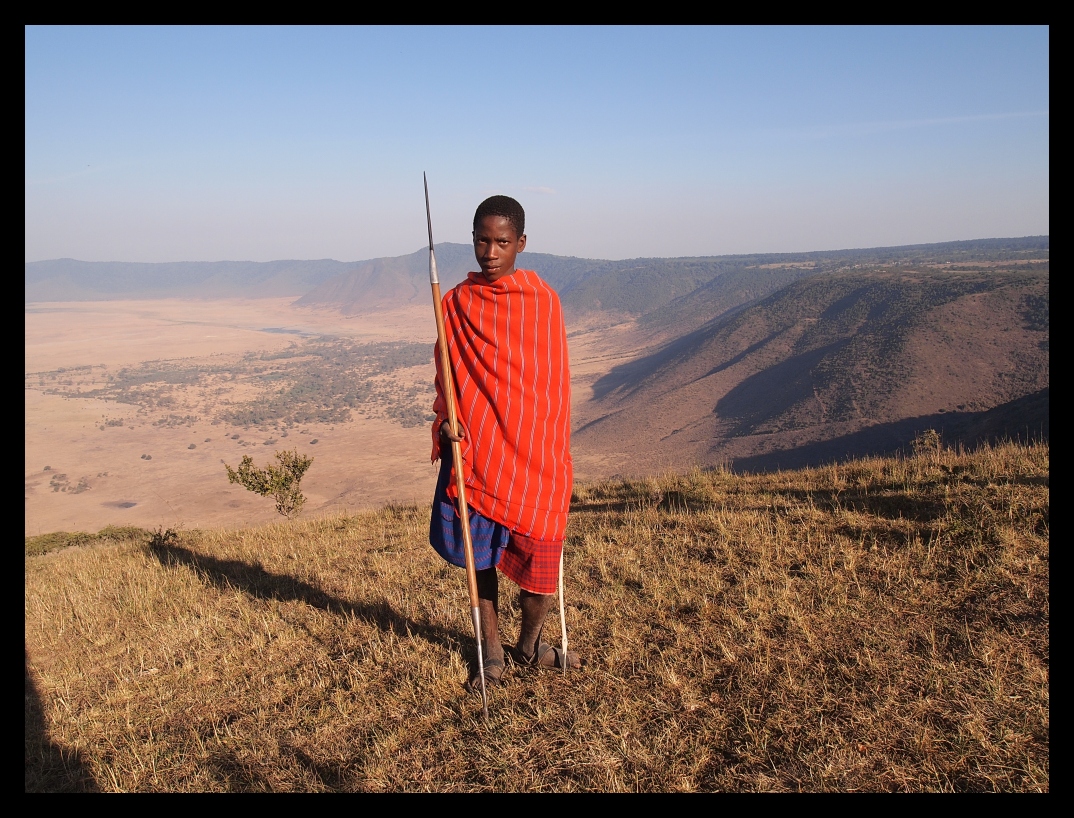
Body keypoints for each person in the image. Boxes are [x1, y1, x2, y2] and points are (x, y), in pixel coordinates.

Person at [429, 194, 581, 691]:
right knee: (481, 557)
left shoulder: (543, 301)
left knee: (540, 562)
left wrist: (545, 438)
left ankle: (528, 647)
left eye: (500, 242)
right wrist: (447, 419)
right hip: (478, 447)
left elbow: (551, 385)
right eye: (481, 240)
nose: (489, 252)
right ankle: (490, 652)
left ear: (520, 243)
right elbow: (448, 374)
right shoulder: (453, 302)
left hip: (537, 454)